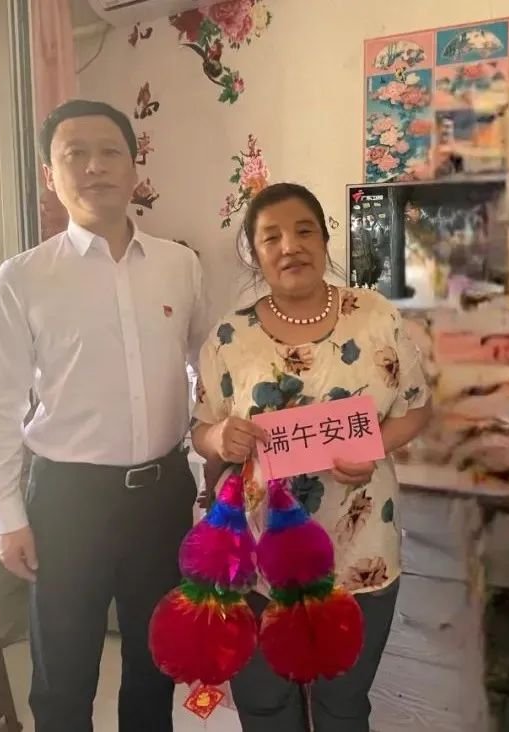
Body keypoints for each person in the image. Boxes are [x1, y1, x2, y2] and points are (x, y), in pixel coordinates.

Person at [0, 99, 213, 732]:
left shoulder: (180, 266)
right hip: (67, 501)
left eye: (109, 152)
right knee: (63, 676)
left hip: (160, 496)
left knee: (155, 663)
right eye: (74, 154)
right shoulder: (23, 279)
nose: (94, 166)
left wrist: (208, 471)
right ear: (50, 175)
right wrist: (6, 515)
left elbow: (209, 371)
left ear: (134, 167)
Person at [190, 182, 432, 731]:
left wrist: (372, 444)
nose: (289, 246)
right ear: (255, 253)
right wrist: (218, 437)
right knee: (265, 704)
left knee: (342, 705)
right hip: (258, 561)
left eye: (303, 231)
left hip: (360, 551)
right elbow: (201, 428)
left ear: (325, 239)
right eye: (270, 237)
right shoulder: (229, 337)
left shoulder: (376, 317)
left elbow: (417, 408)